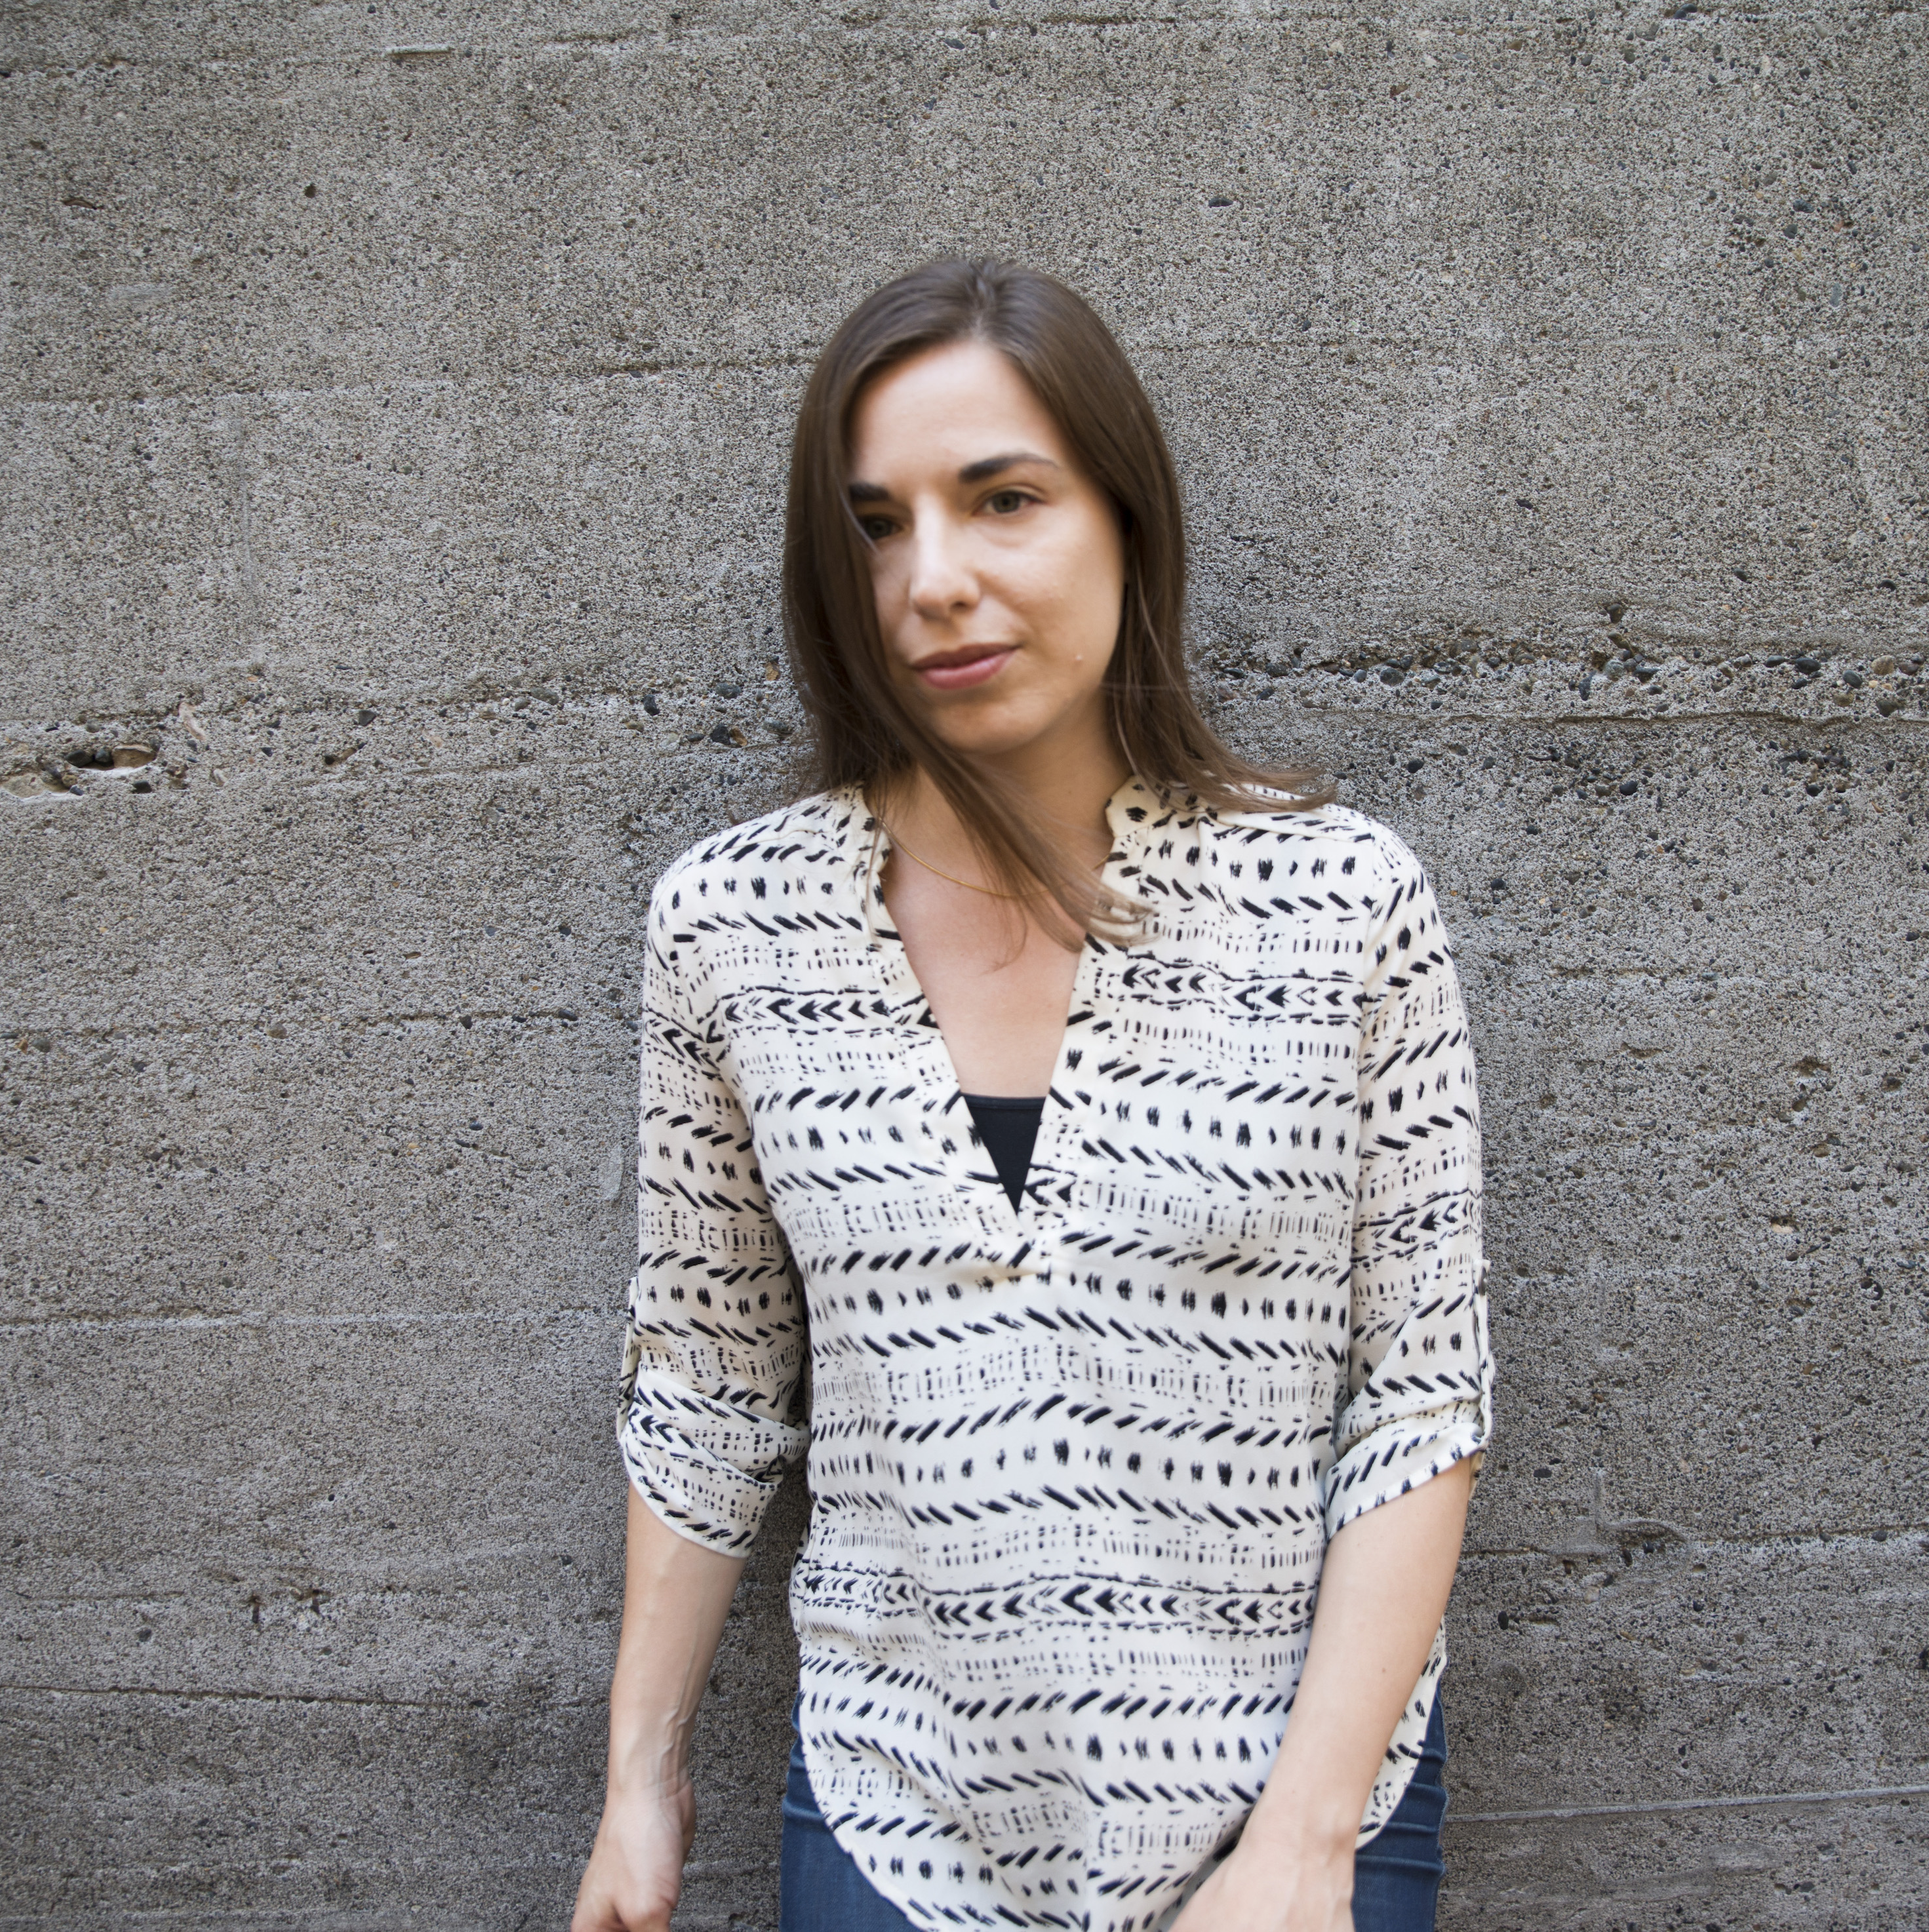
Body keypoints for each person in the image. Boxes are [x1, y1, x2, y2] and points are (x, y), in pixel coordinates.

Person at [568, 258, 1491, 1932]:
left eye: (1004, 500)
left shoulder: (1346, 902)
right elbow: (706, 1376)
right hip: (895, 1805)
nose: (932, 580)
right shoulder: (733, 924)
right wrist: (640, 1780)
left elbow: (1423, 1396)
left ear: (1126, 521)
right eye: (875, 524)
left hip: (1297, 1798)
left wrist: (1303, 1845)